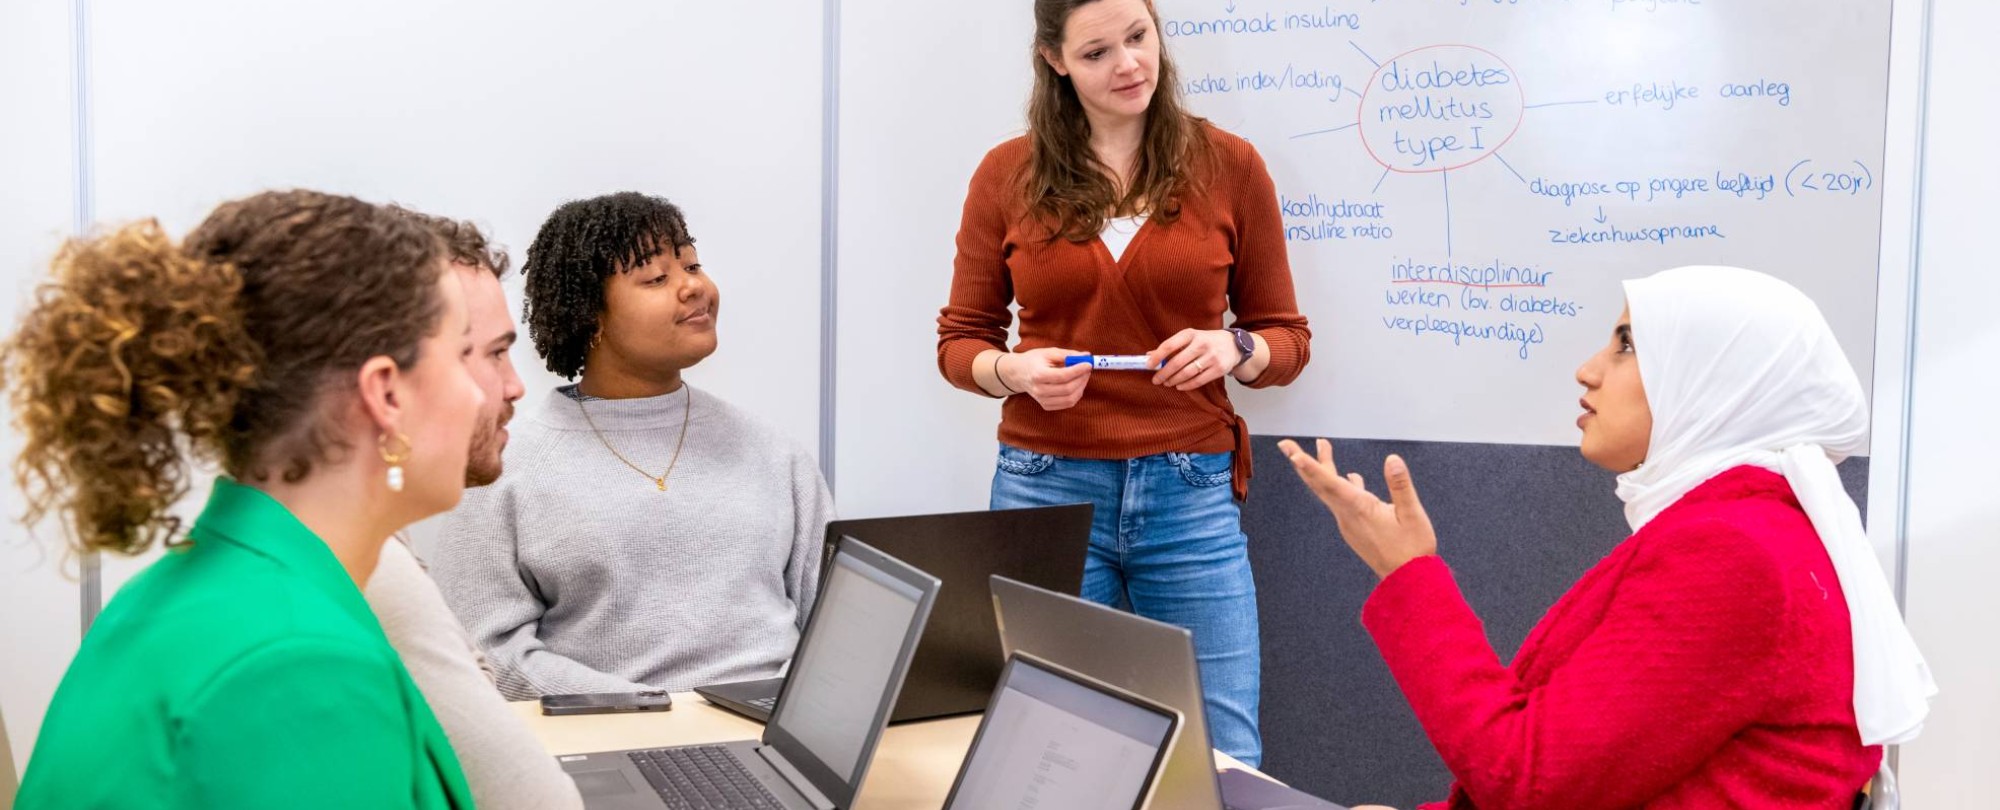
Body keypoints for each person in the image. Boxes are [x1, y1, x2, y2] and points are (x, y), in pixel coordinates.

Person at [1282, 266, 1934, 808]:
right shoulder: (1747, 525)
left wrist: (1409, 576)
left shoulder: (1736, 554)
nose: (1588, 370)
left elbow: (1526, 781)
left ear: (1710, 382)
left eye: (1626, 343)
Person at [9, 190, 481, 808]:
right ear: (386, 395)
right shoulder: (300, 666)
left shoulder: (190, 590)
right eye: (463, 353)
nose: (482, 394)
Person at [935, 0, 1311, 765]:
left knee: (1220, 746)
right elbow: (960, 342)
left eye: (1139, 37)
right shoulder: (1007, 173)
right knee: (1045, 747)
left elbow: (1287, 340)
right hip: (1045, 489)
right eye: (1099, 52)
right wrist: (1012, 372)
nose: (1130, 65)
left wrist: (1234, 347)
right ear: (1055, 61)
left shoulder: (1230, 164)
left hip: (1190, 489)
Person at [432, 192, 833, 699]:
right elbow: (486, 643)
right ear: (590, 314)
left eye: (692, 263)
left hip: (772, 729)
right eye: (657, 278)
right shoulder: (505, 465)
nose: (693, 287)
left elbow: (832, 622)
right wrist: (640, 706)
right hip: (612, 734)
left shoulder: (774, 452)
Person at [363, 208, 583, 809]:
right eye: (491, 355)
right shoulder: (359, 575)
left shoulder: (357, 548)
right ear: (386, 390)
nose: (515, 387)